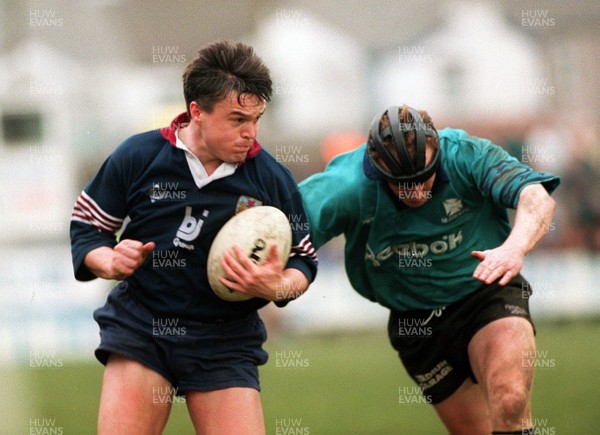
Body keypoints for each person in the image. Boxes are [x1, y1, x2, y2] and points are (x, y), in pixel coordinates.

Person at [70, 40, 317, 434]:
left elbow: (304, 260)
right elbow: (87, 228)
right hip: (143, 327)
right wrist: (111, 260)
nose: (250, 133)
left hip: (225, 339)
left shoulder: (270, 178)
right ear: (196, 112)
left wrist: (278, 286)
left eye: (256, 119)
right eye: (238, 120)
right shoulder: (140, 156)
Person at [299, 105, 559, 434]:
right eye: (401, 184)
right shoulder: (346, 184)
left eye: (424, 177)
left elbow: (535, 196)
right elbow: (285, 230)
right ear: (379, 170)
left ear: (437, 153)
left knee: (510, 399)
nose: (416, 192)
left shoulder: (467, 155)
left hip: (486, 289)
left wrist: (514, 247)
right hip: (415, 320)